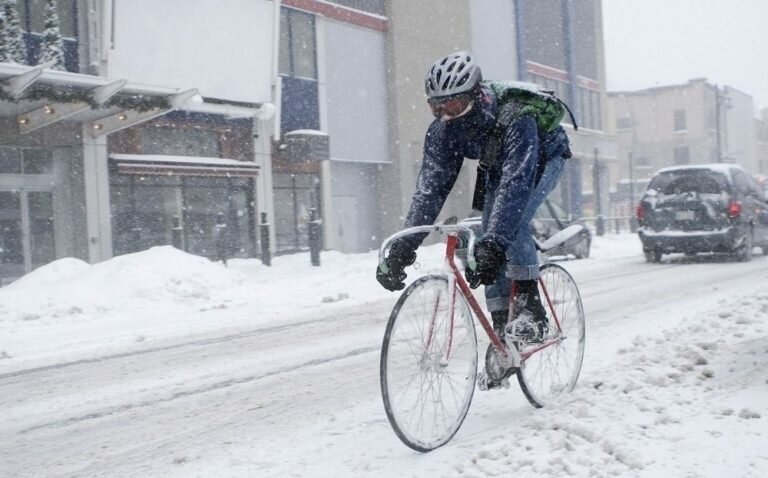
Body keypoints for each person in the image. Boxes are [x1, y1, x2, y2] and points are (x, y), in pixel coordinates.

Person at [376, 51, 572, 348]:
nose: (446, 115)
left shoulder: (516, 116)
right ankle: (502, 333)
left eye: (453, 104)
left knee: (508, 225)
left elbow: (516, 185)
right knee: (484, 236)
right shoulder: (443, 132)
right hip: (497, 163)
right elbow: (429, 192)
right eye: (436, 107)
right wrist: (403, 248)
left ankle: (531, 309)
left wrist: (495, 245)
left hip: (544, 156)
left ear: (476, 96)